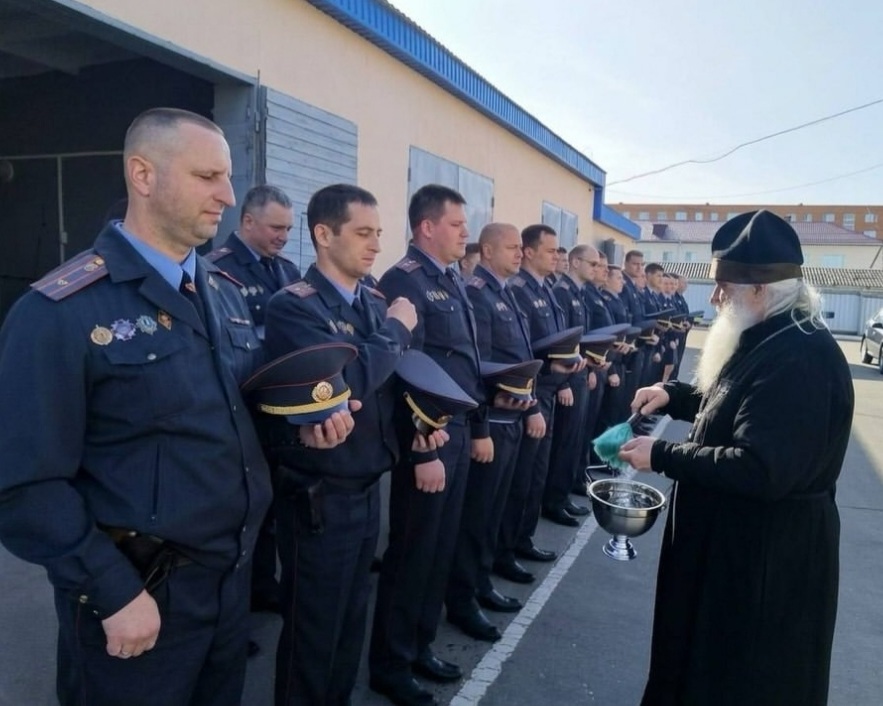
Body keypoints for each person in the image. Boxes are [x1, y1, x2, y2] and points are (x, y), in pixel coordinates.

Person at [0, 107, 354, 706]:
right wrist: (110, 590)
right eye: (207, 176)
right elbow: (23, 486)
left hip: (227, 588)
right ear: (143, 175)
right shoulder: (60, 311)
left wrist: (301, 432)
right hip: (134, 598)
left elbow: (236, 420)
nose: (228, 196)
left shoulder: (223, 294)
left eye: (228, 177)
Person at [618, 210, 854, 706]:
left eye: (723, 288)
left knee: (737, 683)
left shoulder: (801, 358)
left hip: (763, 568)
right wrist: (674, 396)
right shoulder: (772, 334)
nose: (715, 299)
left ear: (760, 290)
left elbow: (760, 466)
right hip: (734, 551)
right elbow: (735, 405)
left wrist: (662, 454)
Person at [256, 184, 429, 705]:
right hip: (319, 493)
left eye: (378, 233)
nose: (375, 244)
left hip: (366, 482)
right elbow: (343, 386)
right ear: (324, 235)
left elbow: (391, 384)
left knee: (351, 619)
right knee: (314, 628)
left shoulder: (372, 300)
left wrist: (424, 423)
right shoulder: (294, 307)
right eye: (363, 233)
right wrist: (396, 331)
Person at [369, 184, 489, 706]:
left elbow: (465, 360)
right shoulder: (405, 280)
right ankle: (390, 664)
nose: (466, 233)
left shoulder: (450, 277)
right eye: (457, 224)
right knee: (413, 554)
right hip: (430, 436)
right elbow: (406, 370)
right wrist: (424, 449)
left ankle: (419, 646)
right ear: (427, 227)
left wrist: (475, 427)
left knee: (438, 550)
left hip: (455, 431)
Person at [445, 222, 540, 644]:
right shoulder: (478, 294)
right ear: (486, 250)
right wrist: (483, 419)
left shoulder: (506, 291)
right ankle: (462, 598)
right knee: (476, 517)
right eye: (511, 247)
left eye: (521, 247)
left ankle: (481, 583)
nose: (519, 253)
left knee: (493, 513)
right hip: (491, 424)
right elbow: (476, 366)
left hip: (511, 419)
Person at [206, 184, 301, 340]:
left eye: (288, 229)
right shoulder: (216, 269)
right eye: (276, 228)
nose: (284, 238)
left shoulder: (289, 270)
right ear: (248, 222)